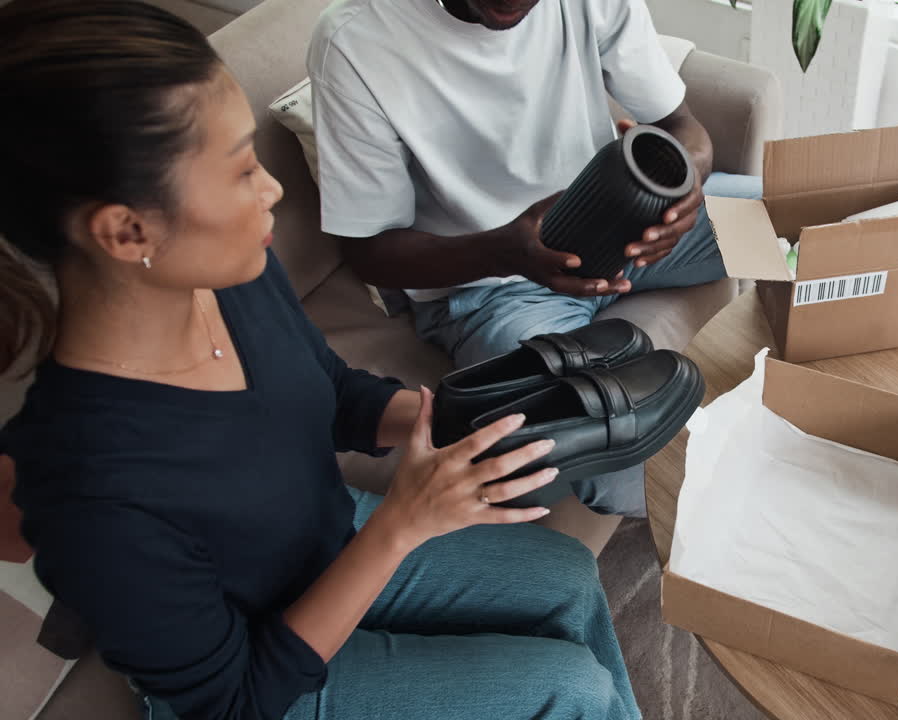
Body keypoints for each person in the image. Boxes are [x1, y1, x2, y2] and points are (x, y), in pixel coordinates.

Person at [0, 2, 641, 718]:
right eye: (243, 171)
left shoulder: (232, 278)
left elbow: (327, 393)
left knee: (569, 577)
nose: (273, 190)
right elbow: (235, 699)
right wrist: (404, 524)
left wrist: (464, 417)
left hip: (326, 536)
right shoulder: (89, 492)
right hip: (258, 677)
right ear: (126, 231)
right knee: (566, 689)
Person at [308, 0, 764, 519]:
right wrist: (505, 251)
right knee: (616, 470)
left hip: (627, 223)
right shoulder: (354, 42)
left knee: (831, 226)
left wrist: (682, 189)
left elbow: (682, 127)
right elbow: (370, 254)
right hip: (492, 288)